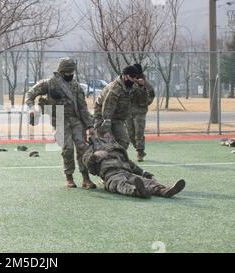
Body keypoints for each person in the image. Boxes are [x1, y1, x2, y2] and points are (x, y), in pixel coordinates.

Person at [25, 58, 96, 189]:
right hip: (59, 119)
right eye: (67, 72)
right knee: (67, 148)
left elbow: (83, 107)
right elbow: (30, 94)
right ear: (61, 71)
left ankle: (86, 178)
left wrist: (90, 125)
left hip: (76, 119)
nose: (70, 74)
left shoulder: (76, 86)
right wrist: (31, 108)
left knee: (82, 148)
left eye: (72, 72)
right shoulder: (49, 83)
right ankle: (69, 177)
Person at [83, 135, 186, 199]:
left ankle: (164, 191)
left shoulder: (116, 147)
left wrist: (145, 173)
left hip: (126, 172)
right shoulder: (91, 149)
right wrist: (95, 155)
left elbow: (130, 163)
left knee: (145, 181)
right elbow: (86, 163)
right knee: (120, 184)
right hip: (111, 175)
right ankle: (138, 191)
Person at [94, 65, 139, 149]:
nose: (134, 79)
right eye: (132, 76)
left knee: (124, 142)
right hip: (102, 117)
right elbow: (107, 108)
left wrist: (143, 86)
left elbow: (142, 100)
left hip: (117, 118)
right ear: (124, 76)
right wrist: (106, 130)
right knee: (106, 143)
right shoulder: (115, 88)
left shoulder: (132, 87)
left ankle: (117, 160)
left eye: (136, 77)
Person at [126, 64, 156, 162]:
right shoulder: (129, 82)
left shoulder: (146, 84)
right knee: (131, 134)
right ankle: (139, 149)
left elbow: (150, 96)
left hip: (140, 111)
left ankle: (140, 152)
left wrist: (146, 101)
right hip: (129, 111)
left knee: (139, 132)